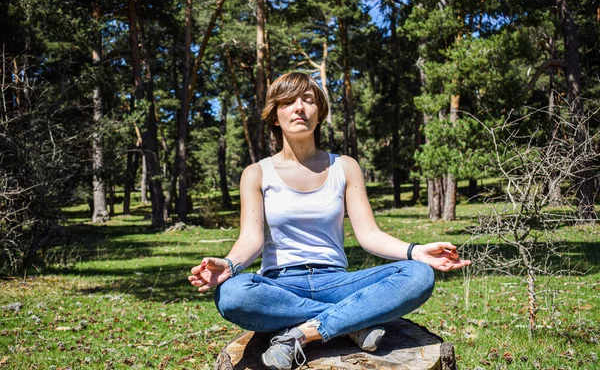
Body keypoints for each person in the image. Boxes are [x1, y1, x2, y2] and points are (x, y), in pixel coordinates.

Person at [188, 72, 471, 370]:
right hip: (280, 286)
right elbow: (251, 240)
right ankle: (350, 322)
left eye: (308, 100)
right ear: (275, 116)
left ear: (319, 112)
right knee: (232, 294)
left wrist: (417, 252)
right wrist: (230, 266)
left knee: (419, 276)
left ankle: (301, 333)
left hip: (338, 280)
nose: (299, 108)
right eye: (288, 102)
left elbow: (369, 235)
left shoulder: (345, 167)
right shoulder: (256, 173)